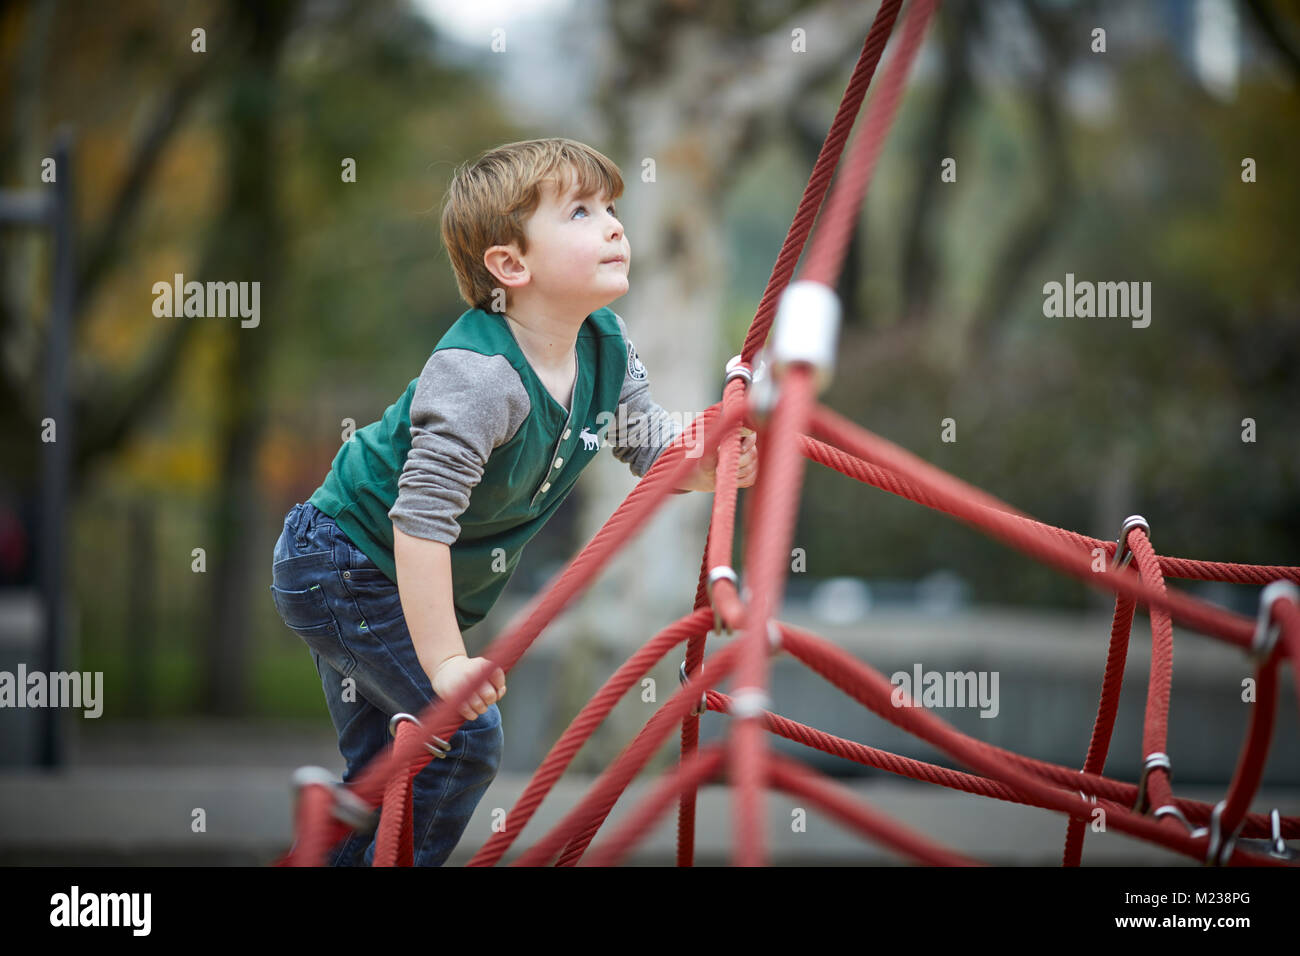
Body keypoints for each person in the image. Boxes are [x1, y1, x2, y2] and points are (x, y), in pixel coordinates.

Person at [269, 137, 758, 866]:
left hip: (392, 577)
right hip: (343, 561)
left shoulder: (605, 347)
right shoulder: (479, 378)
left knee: (388, 779)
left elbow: (651, 449)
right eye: (582, 212)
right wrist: (445, 664)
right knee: (458, 738)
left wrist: (712, 462)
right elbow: (421, 521)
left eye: (613, 208)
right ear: (511, 266)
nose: (614, 226)